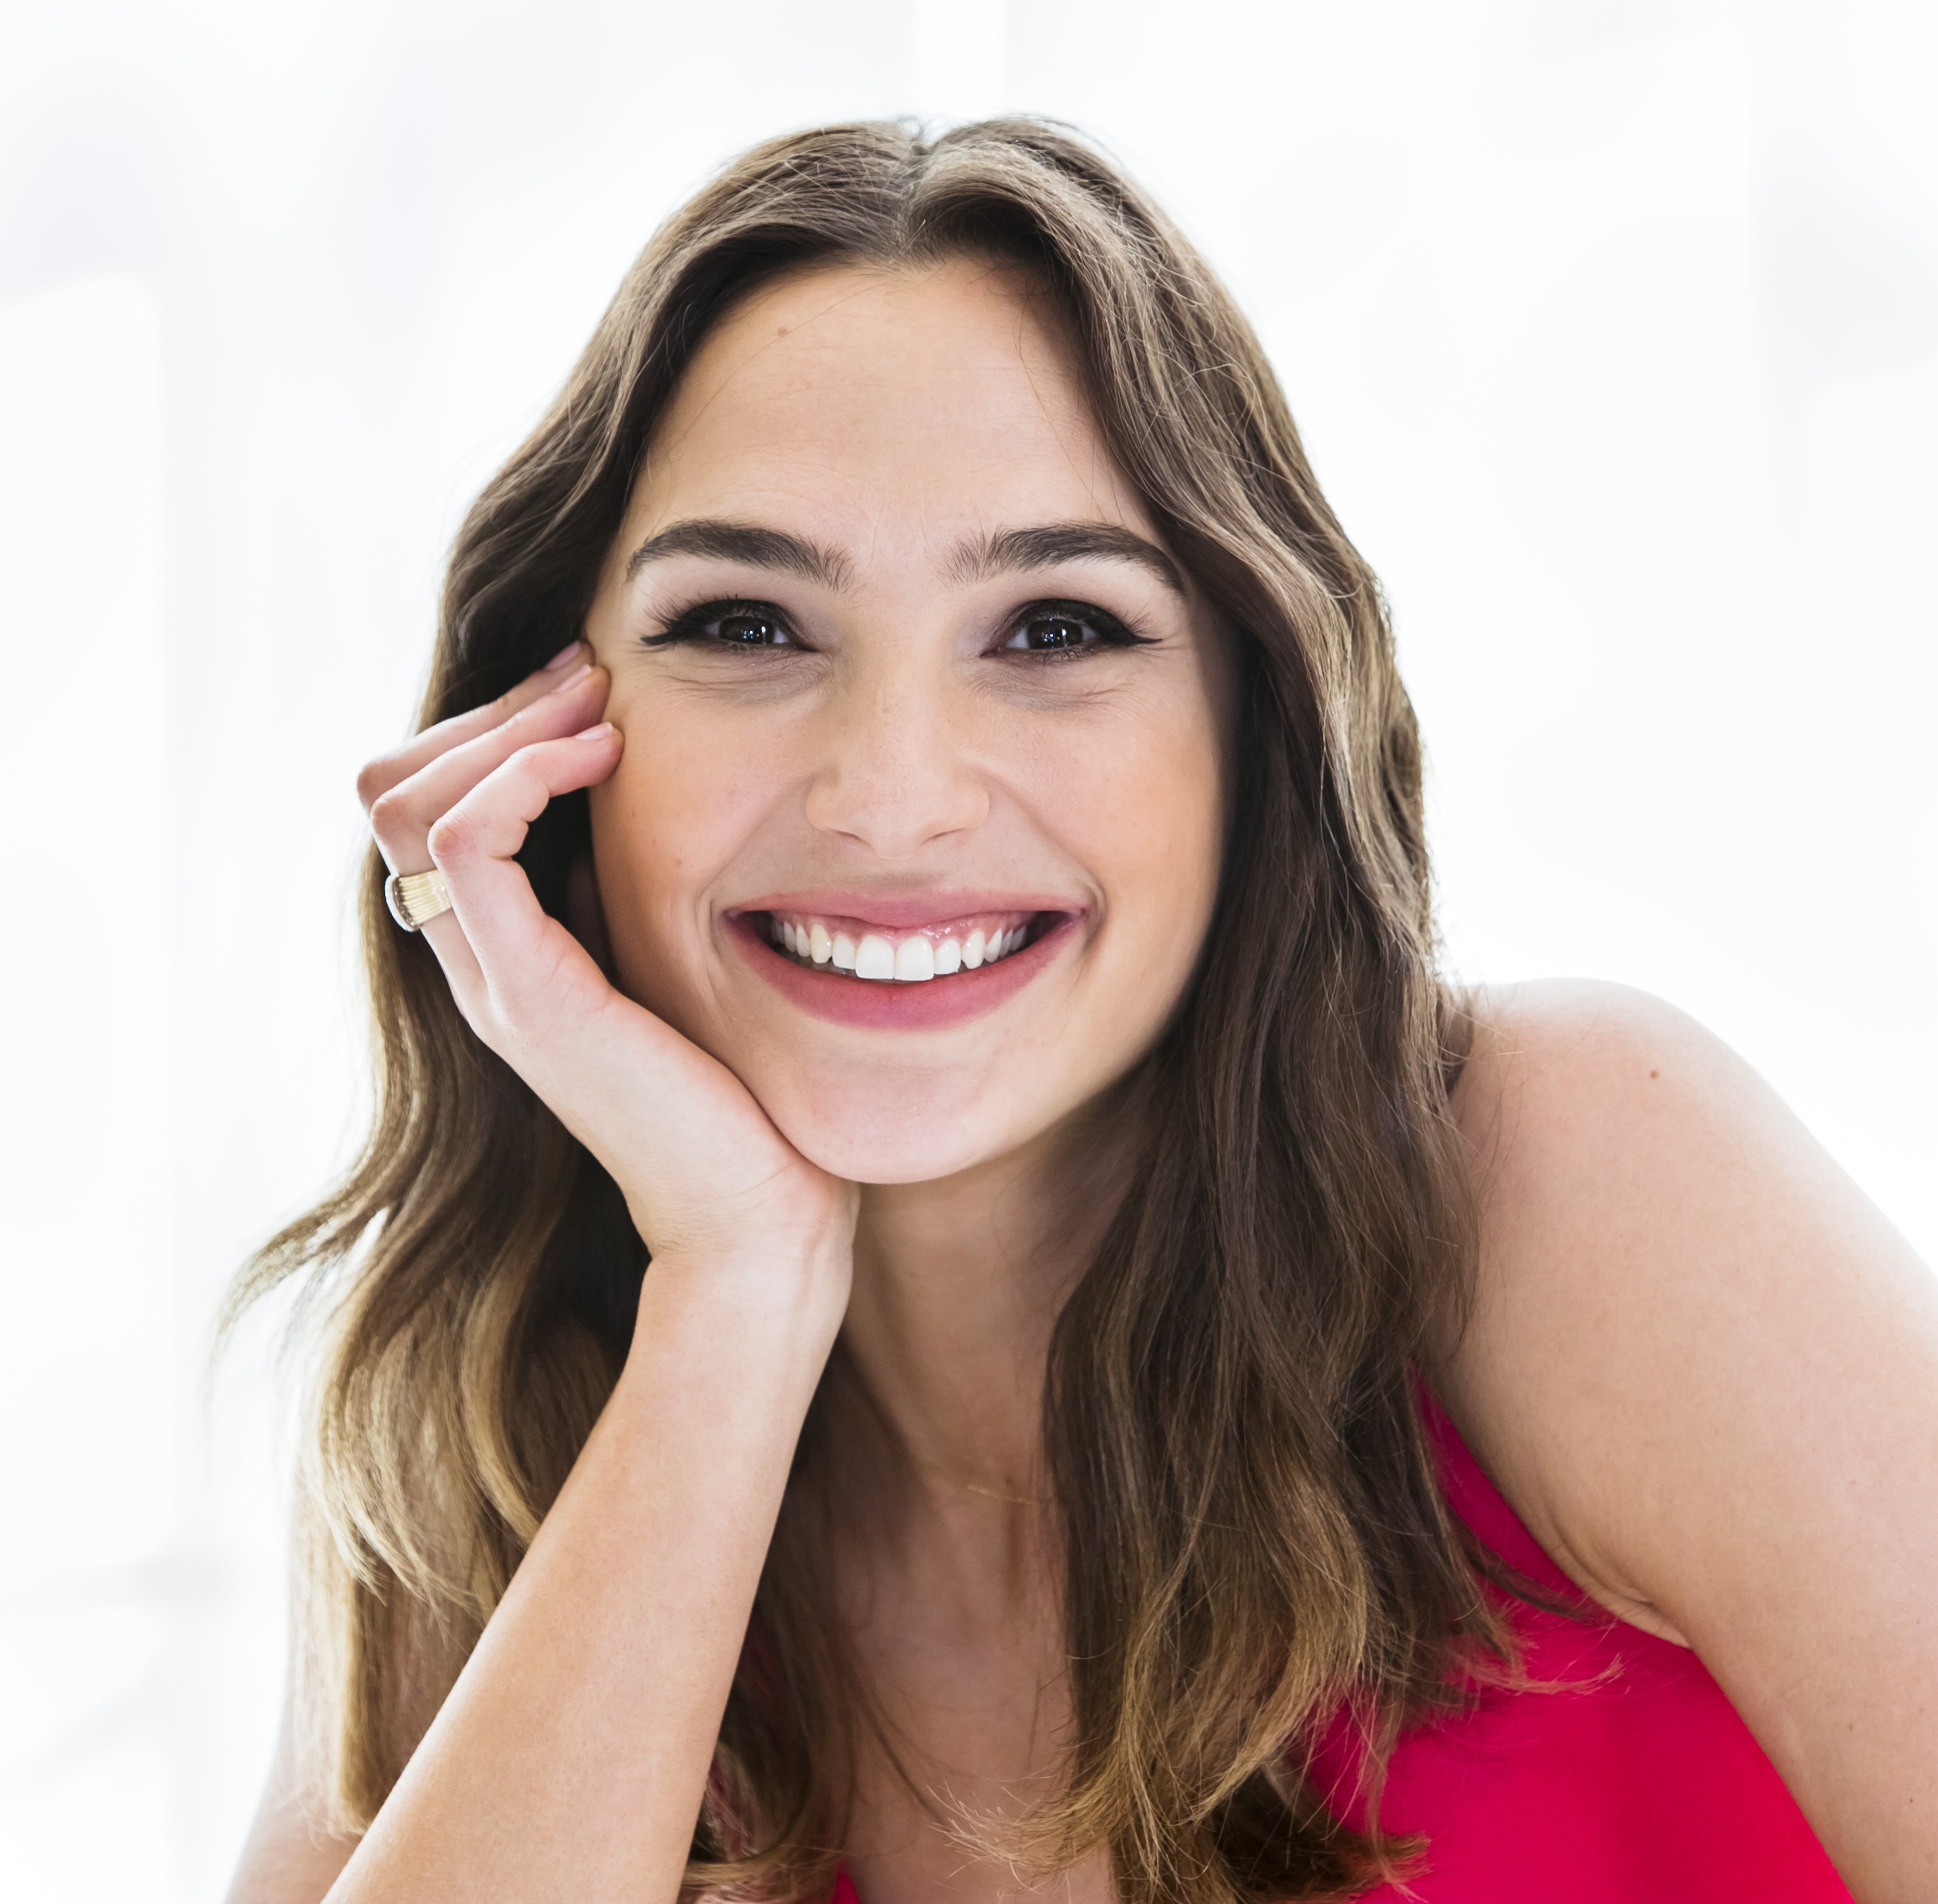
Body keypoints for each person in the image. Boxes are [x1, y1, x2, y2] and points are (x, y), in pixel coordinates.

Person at [223, 120, 1937, 1904]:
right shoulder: (495, 1427)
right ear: (548, 748)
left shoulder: (1564, 1177)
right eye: (744, 624)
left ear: (1250, 726)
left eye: (1053, 629)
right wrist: (734, 1293)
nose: (892, 797)